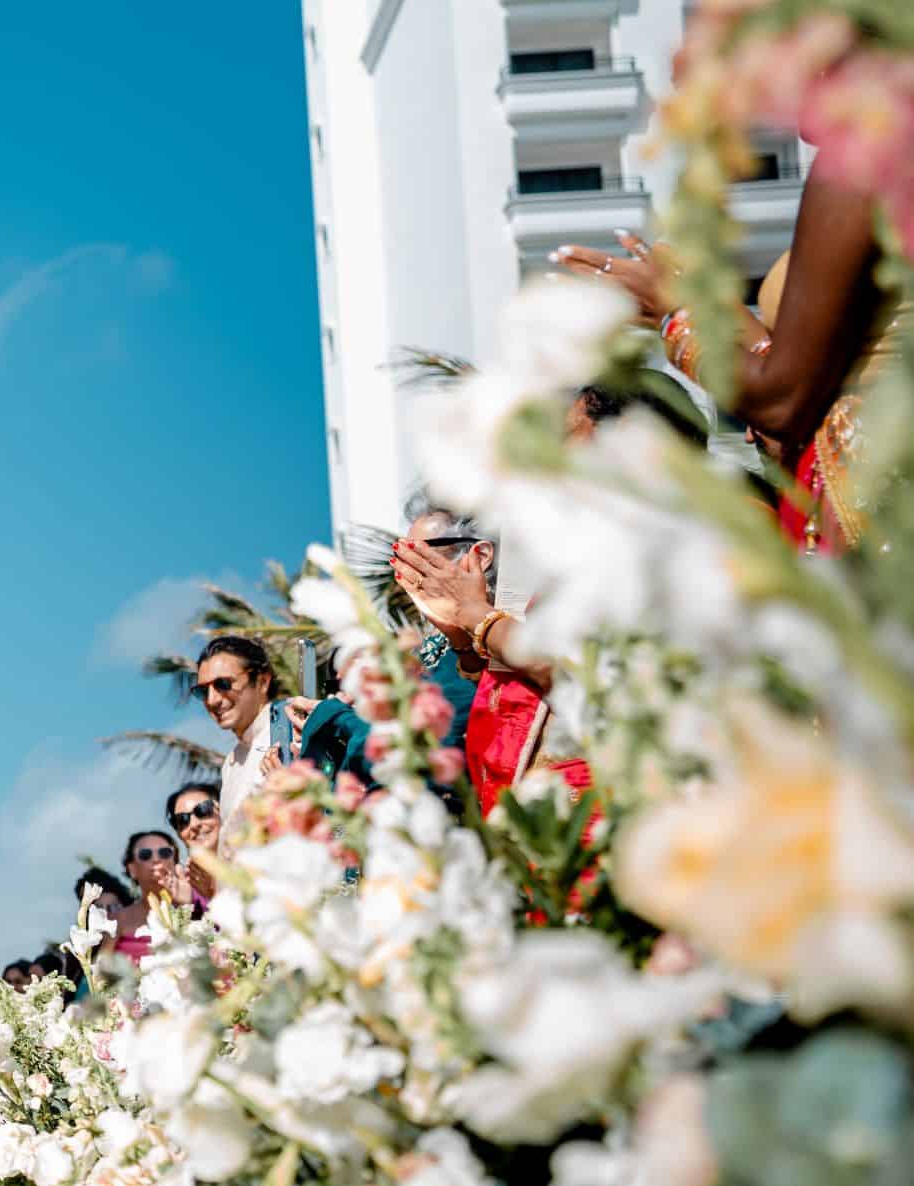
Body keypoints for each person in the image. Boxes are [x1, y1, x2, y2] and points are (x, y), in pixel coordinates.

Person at [560, 153, 902, 553]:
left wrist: (676, 320)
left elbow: (781, 401)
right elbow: (782, 370)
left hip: (878, 483)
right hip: (843, 483)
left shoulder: (859, 162)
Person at [389, 507, 595, 817]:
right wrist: (461, 635)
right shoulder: (496, 620)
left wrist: (474, 615)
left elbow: (561, 670)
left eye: (420, 555)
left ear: (481, 555)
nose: (412, 572)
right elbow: (510, 699)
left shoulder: (563, 589)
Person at [196, 634, 370, 837]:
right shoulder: (229, 765)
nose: (212, 699)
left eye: (223, 684)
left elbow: (341, 821)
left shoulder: (299, 728)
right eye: (202, 691)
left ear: (262, 681)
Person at [108, 827, 196, 965]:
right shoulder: (115, 922)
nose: (156, 859)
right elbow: (98, 976)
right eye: (145, 854)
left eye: (165, 853)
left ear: (175, 862)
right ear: (132, 869)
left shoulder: (194, 909)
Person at [163, 782, 222, 901]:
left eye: (203, 810)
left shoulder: (256, 854)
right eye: (182, 820)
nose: (194, 824)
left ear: (222, 810)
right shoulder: (187, 890)